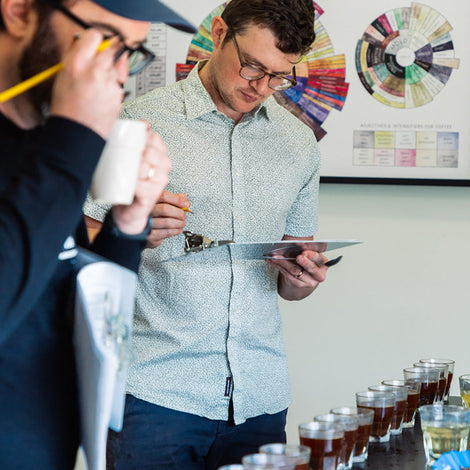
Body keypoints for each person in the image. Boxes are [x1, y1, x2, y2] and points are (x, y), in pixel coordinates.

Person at [85, 0, 331, 468]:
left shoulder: (299, 144)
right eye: (252, 66)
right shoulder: (133, 123)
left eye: (280, 75)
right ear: (219, 33)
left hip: (260, 399)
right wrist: (129, 230)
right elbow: (83, 251)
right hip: (153, 397)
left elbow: (291, 280)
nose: (260, 87)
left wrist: (300, 280)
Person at [0, 0, 194, 468]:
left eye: (130, 51)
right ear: (21, 10)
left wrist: (126, 226)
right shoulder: (61, 147)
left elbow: (69, 300)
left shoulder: (44, 144)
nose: (118, 74)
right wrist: (77, 134)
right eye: (106, 40)